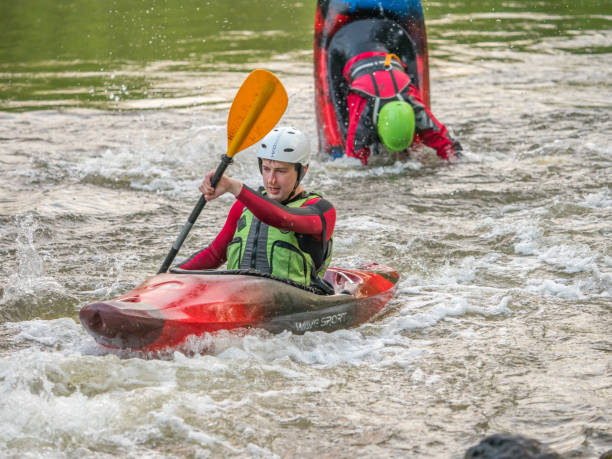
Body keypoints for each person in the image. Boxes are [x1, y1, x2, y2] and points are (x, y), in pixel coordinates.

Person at [178, 126, 336, 292]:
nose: (271, 180)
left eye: (281, 171)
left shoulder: (321, 210)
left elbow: (283, 218)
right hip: (240, 298)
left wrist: (235, 187)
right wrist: (171, 276)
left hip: (295, 303)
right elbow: (214, 255)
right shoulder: (243, 206)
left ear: (303, 170)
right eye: (266, 169)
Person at [344, 51, 462, 165]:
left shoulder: (412, 104)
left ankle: (408, 145)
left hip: (393, 68)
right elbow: (442, 138)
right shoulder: (361, 102)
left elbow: (355, 157)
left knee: (421, 139)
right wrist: (455, 157)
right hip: (357, 69)